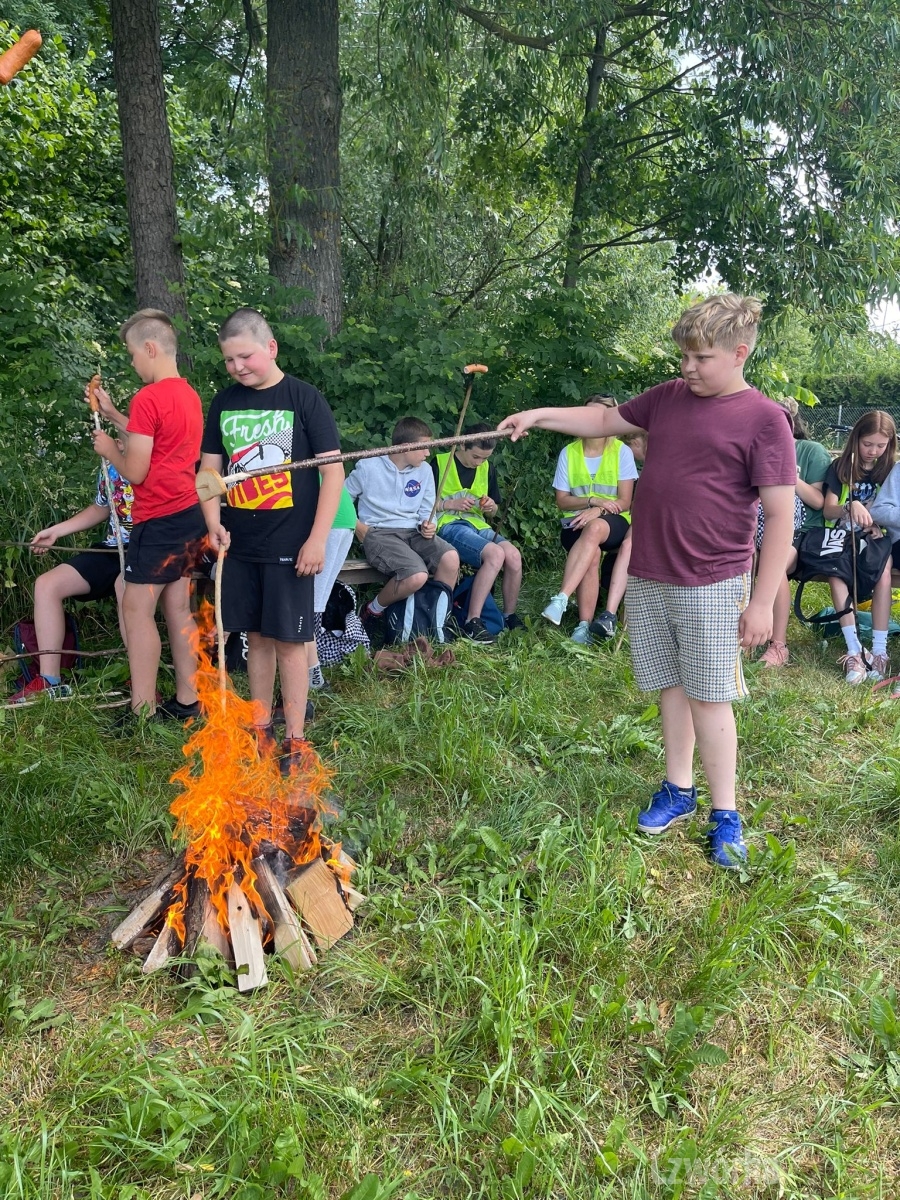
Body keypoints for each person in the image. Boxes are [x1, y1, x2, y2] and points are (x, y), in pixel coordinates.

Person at [499, 293, 797, 868]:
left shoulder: (765, 420)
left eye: (702, 358)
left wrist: (762, 602)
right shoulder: (668, 398)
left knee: (710, 697)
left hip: (712, 579)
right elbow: (602, 420)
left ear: (740, 353)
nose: (688, 367)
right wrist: (537, 416)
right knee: (670, 686)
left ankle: (726, 814)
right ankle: (679, 789)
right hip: (651, 571)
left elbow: (781, 516)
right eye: (684, 356)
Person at [200, 308, 344, 766]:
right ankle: (260, 728)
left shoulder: (303, 398)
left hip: (291, 544)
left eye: (245, 356)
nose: (237, 367)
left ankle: (295, 739)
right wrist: (212, 522)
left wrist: (317, 539)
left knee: (289, 640)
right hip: (241, 544)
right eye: (229, 360)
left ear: (271, 347)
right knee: (256, 637)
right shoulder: (224, 403)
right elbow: (208, 472)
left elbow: (333, 473)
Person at [89, 309, 206, 719]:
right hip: (189, 514)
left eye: (133, 354)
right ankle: (188, 701)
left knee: (136, 608)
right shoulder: (188, 395)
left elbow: (136, 470)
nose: (133, 363)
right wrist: (113, 415)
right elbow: (157, 441)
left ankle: (142, 710)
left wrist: (110, 450)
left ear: (150, 349)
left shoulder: (148, 397)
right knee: (178, 608)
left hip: (158, 520)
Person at [9, 458, 133, 702]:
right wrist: (56, 531)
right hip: (112, 549)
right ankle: (49, 681)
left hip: (150, 547)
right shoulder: (110, 464)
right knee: (47, 585)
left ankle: (141, 678)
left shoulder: (158, 458)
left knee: (125, 586)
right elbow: (101, 507)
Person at [346, 417, 459, 636]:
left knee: (451, 559)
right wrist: (359, 528)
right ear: (406, 446)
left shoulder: (425, 470)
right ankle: (372, 610)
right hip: (380, 533)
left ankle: (433, 622)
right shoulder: (369, 466)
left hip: (414, 532)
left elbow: (428, 508)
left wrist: (430, 524)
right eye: (424, 447)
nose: (428, 453)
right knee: (417, 575)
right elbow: (340, 498)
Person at [542, 395, 637, 643]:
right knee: (591, 554)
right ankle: (584, 626)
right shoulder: (569, 452)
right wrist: (592, 501)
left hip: (614, 520)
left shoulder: (622, 451)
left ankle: (561, 598)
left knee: (594, 529)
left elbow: (625, 501)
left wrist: (600, 510)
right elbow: (562, 501)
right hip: (575, 522)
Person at [821, 410, 896, 684]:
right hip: (841, 536)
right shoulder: (840, 467)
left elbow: (888, 509)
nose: (873, 451)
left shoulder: (888, 470)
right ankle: (854, 649)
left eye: (881, 445)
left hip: (874, 538)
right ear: (856, 439)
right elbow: (828, 510)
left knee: (884, 569)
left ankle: (879, 651)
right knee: (836, 573)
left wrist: (875, 523)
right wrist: (849, 506)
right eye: (867, 444)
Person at [433, 422, 524, 643]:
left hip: (479, 525)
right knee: (495, 554)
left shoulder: (487, 468)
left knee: (513, 556)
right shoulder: (439, 463)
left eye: (485, 458)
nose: (479, 463)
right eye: (476, 457)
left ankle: (509, 615)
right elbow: (420, 505)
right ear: (462, 445)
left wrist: (491, 507)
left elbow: (494, 511)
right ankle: (472, 621)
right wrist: (449, 504)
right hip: (449, 525)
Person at [756, 401, 830, 668]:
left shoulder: (811, 451)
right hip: (757, 529)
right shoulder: (755, 450)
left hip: (802, 531)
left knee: (773, 566)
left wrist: (786, 470)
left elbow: (819, 502)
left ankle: (778, 645)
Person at [588, 428, 647, 641]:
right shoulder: (646, 469)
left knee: (628, 547)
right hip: (645, 520)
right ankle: (609, 615)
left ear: (637, 443)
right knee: (627, 546)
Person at [308, 483, 358, 690]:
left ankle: (313, 676)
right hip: (344, 518)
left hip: (327, 523)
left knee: (306, 607)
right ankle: (314, 674)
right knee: (313, 605)